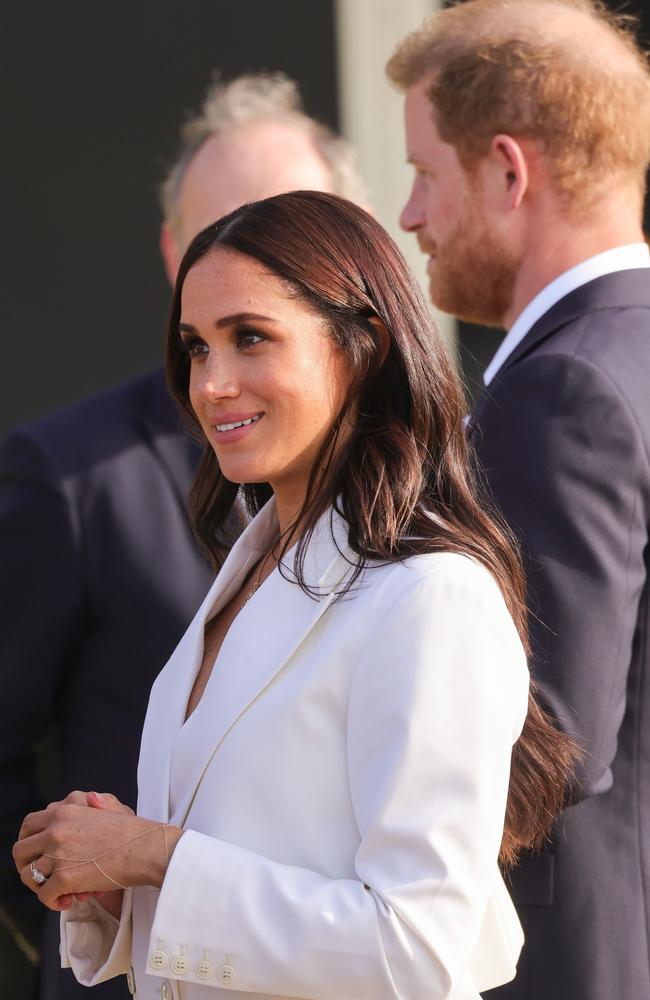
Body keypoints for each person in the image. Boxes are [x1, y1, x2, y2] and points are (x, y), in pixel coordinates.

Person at [13, 191, 576, 1000]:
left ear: (366, 347)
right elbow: (263, 866)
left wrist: (155, 855)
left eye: (250, 338)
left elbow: (416, 949)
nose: (212, 384)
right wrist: (113, 877)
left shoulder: (432, 595)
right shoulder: (249, 570)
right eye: (197, 348)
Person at [0, 74, 368, 1000]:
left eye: (290, 229)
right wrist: (71, 885)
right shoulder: (70, 476)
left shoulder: (434, 527)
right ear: (175, 253)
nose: (255, 256)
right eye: (225, 232)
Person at [387, 1, 650, 997]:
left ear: (507, 170)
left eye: (422, 174)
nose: (408, 215)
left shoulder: (562, 387)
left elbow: (545, 738)